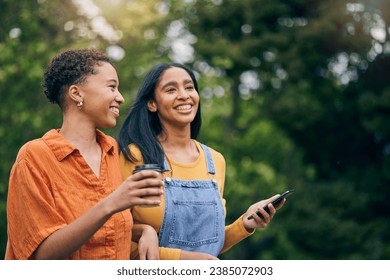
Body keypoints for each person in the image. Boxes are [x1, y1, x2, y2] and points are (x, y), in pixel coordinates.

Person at [5, 48, 164, 260]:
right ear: (76, 93)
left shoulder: (112, 151)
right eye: (112, 87)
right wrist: (111, 203)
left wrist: (145, 231)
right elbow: (40, 255)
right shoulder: (35, 156)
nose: (121, 98)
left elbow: (108, 228)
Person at [117, 62, 286, 260]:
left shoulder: (214, 161)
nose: (184, 95)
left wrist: (245, 224)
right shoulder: (137, 156)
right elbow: (116, 238)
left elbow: (209, 245)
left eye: (189, 87)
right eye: (171, 89)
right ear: (152, 103)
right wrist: (185, 260)